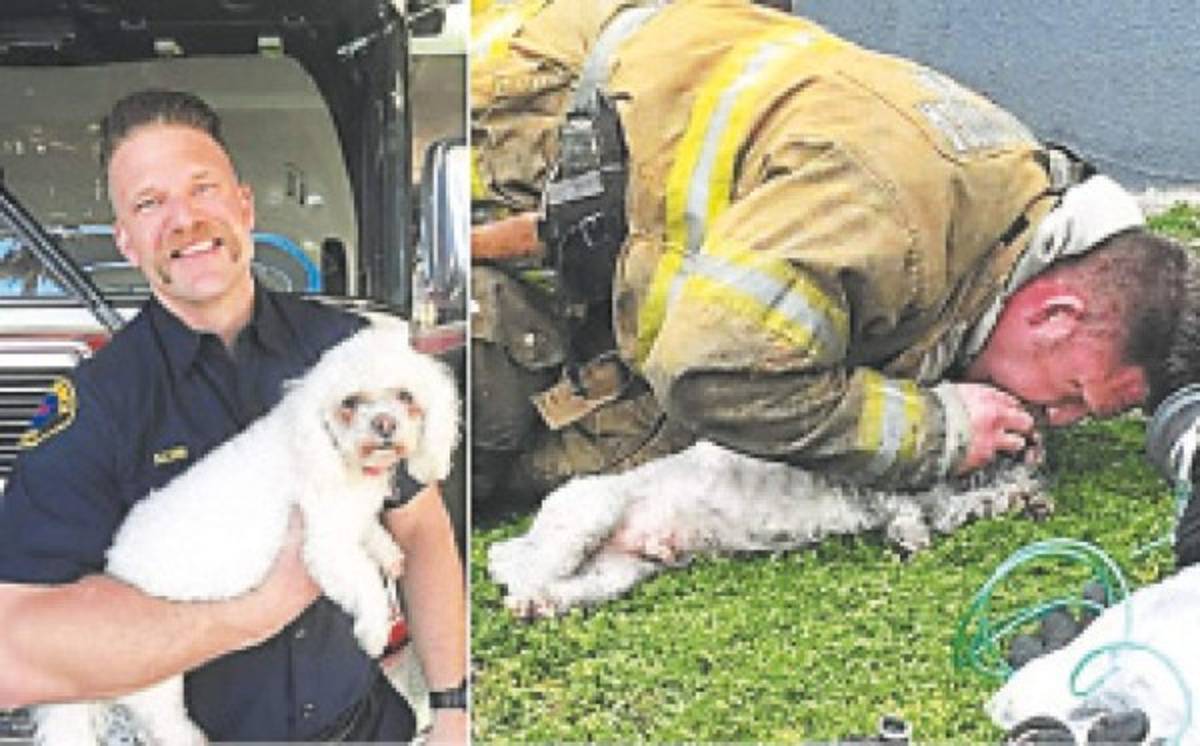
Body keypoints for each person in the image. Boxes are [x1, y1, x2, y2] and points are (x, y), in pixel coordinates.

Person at [469, 0, 1200, 505]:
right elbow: (711, 368)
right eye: (1071, 395)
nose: (1056, 420)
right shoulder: (894, 216)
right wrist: (934, 431)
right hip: (509, 129)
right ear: (1055, 313)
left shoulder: (1013, 198)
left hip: (608, 134)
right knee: (469, 416)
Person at [0, 90, 467, 742]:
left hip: (368, 726)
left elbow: (421, 531)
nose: (185, 219)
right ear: (126, 242)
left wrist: (453, 708)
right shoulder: (97, 406)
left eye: (203, 188)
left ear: (244, 205)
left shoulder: (350, 350)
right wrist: (254, 612)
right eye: (149, 203)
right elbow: (14, 652)